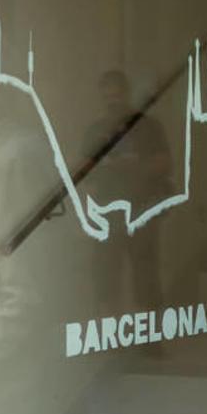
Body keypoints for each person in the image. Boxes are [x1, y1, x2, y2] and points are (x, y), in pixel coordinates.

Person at [80, 70, 171, 314]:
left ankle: (148, 331)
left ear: (126, 95)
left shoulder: (148, 126)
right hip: (106, 210)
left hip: (141, 208)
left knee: (146, 273)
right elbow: (83, 172)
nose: (112, 102)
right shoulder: (95, 131)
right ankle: (109, 331)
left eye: (116, 96)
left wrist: (135, 166)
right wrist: (102, 167)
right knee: (105, 274)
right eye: (108, 97)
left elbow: (164, 163)